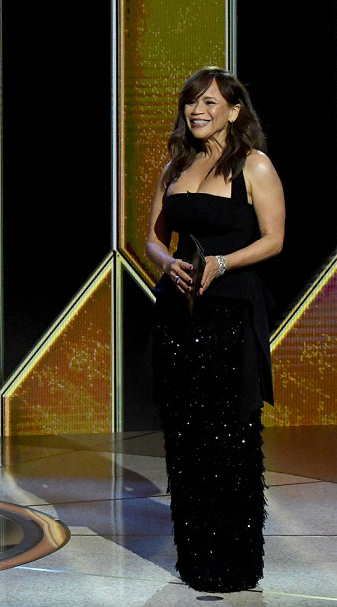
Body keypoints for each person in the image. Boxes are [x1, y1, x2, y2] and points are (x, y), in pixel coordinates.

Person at [145, 67, 285, 593]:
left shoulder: (255, 165)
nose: (197, 111)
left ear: (234, 110)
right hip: (179, 314)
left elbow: (274, 238)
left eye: (209, 102)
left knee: (231, 436)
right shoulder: (175, 166)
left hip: (230, 314)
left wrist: (223, 263)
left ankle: (236, 563)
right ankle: (196, 559)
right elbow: (153, 237)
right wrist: (166, 263)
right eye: (191, 102)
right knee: (185, 435)